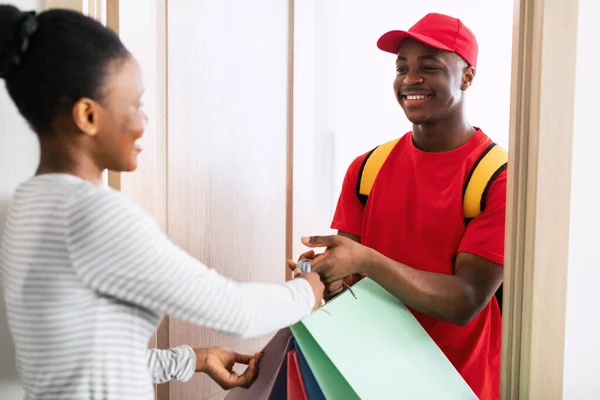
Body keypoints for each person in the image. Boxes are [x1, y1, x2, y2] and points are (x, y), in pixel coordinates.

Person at [0, 5, 324, 400]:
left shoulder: (25, 207)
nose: (143, 122)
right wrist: (310, 287)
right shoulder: (94, 216)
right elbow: (237, 311)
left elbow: (85, 360)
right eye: (134, 104)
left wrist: (194, 359)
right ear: (87, 115)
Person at [289, 13, 505, 400]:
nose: (410, 79)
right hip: (370, 378)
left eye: (429, 67)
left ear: (467, 77)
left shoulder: (496, 177)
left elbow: (466, 301)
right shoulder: (366, 169)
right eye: (402, 67)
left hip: (457, 383)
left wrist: (366, 261)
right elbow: (350, 285)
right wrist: (323, 277)